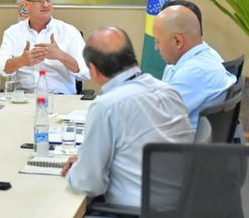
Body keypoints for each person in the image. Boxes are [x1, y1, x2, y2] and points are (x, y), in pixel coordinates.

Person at [61, 26, 194, 207]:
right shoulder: (168, 90)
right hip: (182, 204)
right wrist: (89, 161)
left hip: (135, 211)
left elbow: (89, 184)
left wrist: (78, 169)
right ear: (132, 56)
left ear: (93, 70)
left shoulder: (106, 106)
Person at [0, 0, 88, 94]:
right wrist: (21, 61)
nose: (46, 5)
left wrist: (61, 55)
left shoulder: (69, 32)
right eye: (40, 1)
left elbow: (87, 72)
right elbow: (3, 69)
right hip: (23, 100)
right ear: (26, 5)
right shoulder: (12, 33)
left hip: (60, 99)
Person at [153, 5, 236, 129]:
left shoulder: (194, 72)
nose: (156, 48)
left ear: (177, 41)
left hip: (178, 146)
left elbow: (155, 119)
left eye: (157, 41)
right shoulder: (201, 60)